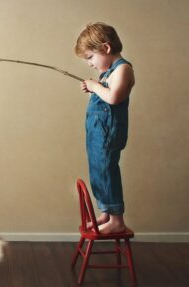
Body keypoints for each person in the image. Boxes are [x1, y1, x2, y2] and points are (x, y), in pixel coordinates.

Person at [74, 22, 135, 234]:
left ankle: (117, 220)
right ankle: (106, 213)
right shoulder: (107, 72)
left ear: (106, 48)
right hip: (97, 132)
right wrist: (93, 90)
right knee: (98, 170)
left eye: (90, 57)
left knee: (107, 169)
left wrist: (95, 86)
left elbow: (114, 97)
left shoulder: (123, 69)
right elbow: (103, 98)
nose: (89, 63)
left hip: (109, 132)